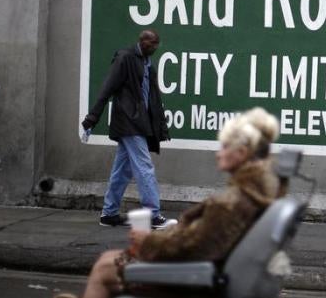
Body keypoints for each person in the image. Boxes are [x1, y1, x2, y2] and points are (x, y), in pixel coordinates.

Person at [77, 107, 283, 298]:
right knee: (109, 259)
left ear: (241, 153)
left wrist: (147, 241)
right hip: (204, 269)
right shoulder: (256, 196)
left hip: (189, 277)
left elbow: (192, 247)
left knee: (104, 266)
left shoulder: (229, 204)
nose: (218, 153)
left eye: (225, 146)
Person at [81, 29, 171, 229]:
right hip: (129, 122)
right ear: (143, 41)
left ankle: (109, 213)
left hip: (140, 123)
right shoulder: (125, 58)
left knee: (122, 169)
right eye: (152, 42)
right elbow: (107, 88)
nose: (155, 47)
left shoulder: (148, 65)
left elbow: (153, 99)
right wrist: (92, 119)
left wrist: (160, 126)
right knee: (144, 167)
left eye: (157, 43)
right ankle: (152, 215)